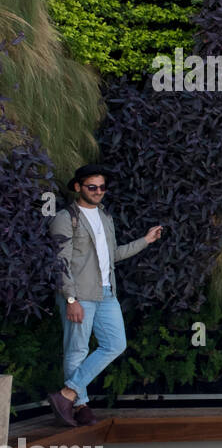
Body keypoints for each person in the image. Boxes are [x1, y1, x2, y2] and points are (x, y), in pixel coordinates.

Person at [47, 164, 163, 427]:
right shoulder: (66, 218)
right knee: (76, 349)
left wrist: (145, 241)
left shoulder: (105, 217)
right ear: (78, 187)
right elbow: (60, 262)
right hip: (79, 294)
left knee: (115, 344)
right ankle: (80, 407)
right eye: (92, 187)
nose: (98, 191)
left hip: (106, 292)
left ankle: (67, 394)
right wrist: (70, 299)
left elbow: (113, 255)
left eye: (101, 187)